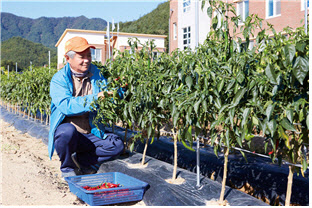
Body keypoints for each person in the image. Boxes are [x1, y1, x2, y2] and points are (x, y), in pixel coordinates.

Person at [48, 36, 124, 178]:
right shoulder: (59, 79)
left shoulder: (97, 74)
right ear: (68, 58)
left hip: (90, 133)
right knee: (65, 133)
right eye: (81, 56)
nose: (87, 60)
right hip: (71, 133)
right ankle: (67, 167)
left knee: (117, 145)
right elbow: (66, 105)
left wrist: (119, 91)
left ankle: (84, 162)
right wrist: (97, 98)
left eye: (89, 55)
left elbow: (108, 95)